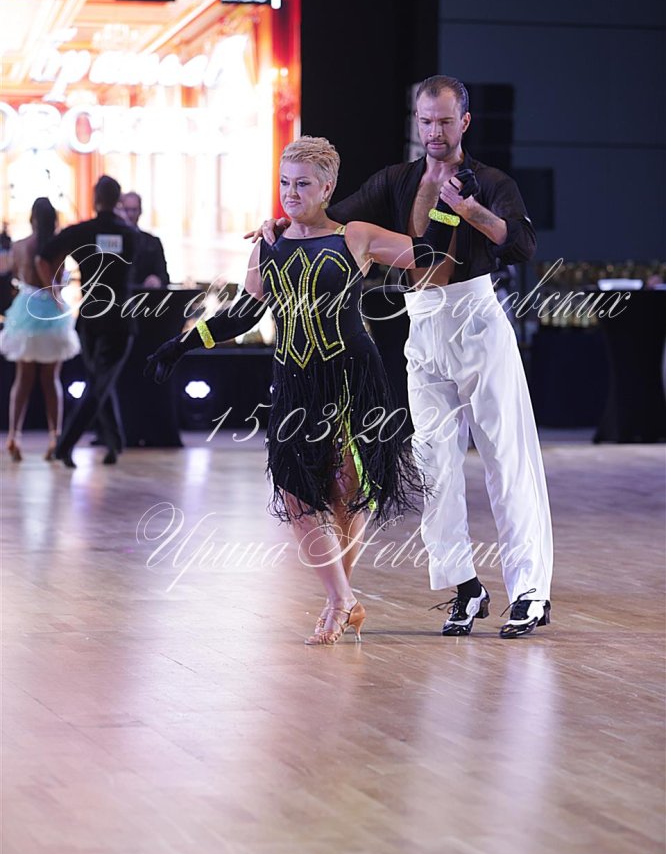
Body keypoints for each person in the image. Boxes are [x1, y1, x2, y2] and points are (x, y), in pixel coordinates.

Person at [260, 77, 553, 639]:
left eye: (444, 121)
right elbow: (330, 219)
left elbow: (519, 244)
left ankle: (530, 591)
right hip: (423, 322)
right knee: (433, 463)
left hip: (477, 316)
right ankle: (464, 587)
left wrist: (469, 209)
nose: (434, 131)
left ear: (464, 122)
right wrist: (281, 224)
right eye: (426, 121)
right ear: (416, 122)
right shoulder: (396, 180)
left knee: (506, 457)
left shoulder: (491, 181)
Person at [145, 136, 458, 645]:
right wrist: (182, 344)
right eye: (285, 183)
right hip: (293, 380)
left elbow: (428, 259)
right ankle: (342, 599)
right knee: (295, 494)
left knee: (346, 492)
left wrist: (445, 208)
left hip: (351, 377)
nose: (291, 193)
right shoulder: (267, 243)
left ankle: (339, 600)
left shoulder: (356, 235)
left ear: (327, 187)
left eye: (303, 184)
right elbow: (243, 315)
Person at [38, 175, 136, 468]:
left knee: (100, 382)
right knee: (100, 384)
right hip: (119, 319)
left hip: (91, 320)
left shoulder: (82, 231)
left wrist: (55, 293)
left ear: (95, 199)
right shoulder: (130, 234)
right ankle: (67, 445)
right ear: (118, 200)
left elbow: (44, 257)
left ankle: (113, 443)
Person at [0, 198, 80, 461]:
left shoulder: (20, 245)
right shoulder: (58, 247)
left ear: (32, 218)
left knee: (22, 379)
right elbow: (59, 281)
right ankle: (55, 436)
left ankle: (14, 435)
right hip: (52, 312)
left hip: (26, 310)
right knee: (51, 379)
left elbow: (13, 272)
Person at [120, 191, 170, 289]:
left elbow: (164, 276)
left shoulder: (153, 242)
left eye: (134, 210)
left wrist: (157, 280)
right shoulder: (115, 240)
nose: (130, 214)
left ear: (140, 211)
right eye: (126, 210)